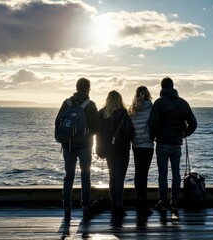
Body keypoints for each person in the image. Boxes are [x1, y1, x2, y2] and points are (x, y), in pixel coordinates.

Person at [149, 77, 197, 211]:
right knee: (176, 173)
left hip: (162, 143)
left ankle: (163, 201)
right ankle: (174, 201)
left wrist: (153, 137)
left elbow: (153, 123)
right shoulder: (183, 103)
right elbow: (193, 123)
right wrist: (184, 133)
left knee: (162, 173)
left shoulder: (159, 103)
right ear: (173, 87)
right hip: (176, 143)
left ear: (162, 87)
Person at [55, 77, 99, 221]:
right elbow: (96, 128)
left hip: (67, 145)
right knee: (85, 176)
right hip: (85, 146)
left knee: (69, 176)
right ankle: (85, 205)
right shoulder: (90, 105)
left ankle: (66, 204)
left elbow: (58, 123)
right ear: (88, 89)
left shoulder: (66, 103)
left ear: (76, 87)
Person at [96, 90, 135, 221]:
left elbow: (98, 134)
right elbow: (131, 132)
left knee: (112, 178)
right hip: (122, 150)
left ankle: (113, 206)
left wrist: (99, 149)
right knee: (120, 180)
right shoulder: (123, 113)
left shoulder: (102, 113)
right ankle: (119, 207)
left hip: (108, 151)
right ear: (119, 99)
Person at [128, 86, 154, 217]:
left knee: (138, 172)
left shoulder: (132, 109)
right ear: (148, 94)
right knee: (144, 173)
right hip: (147, 144)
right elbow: (154, 123)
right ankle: (143, 203)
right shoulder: (151, 107)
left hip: (136, 144)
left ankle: (139, 199)